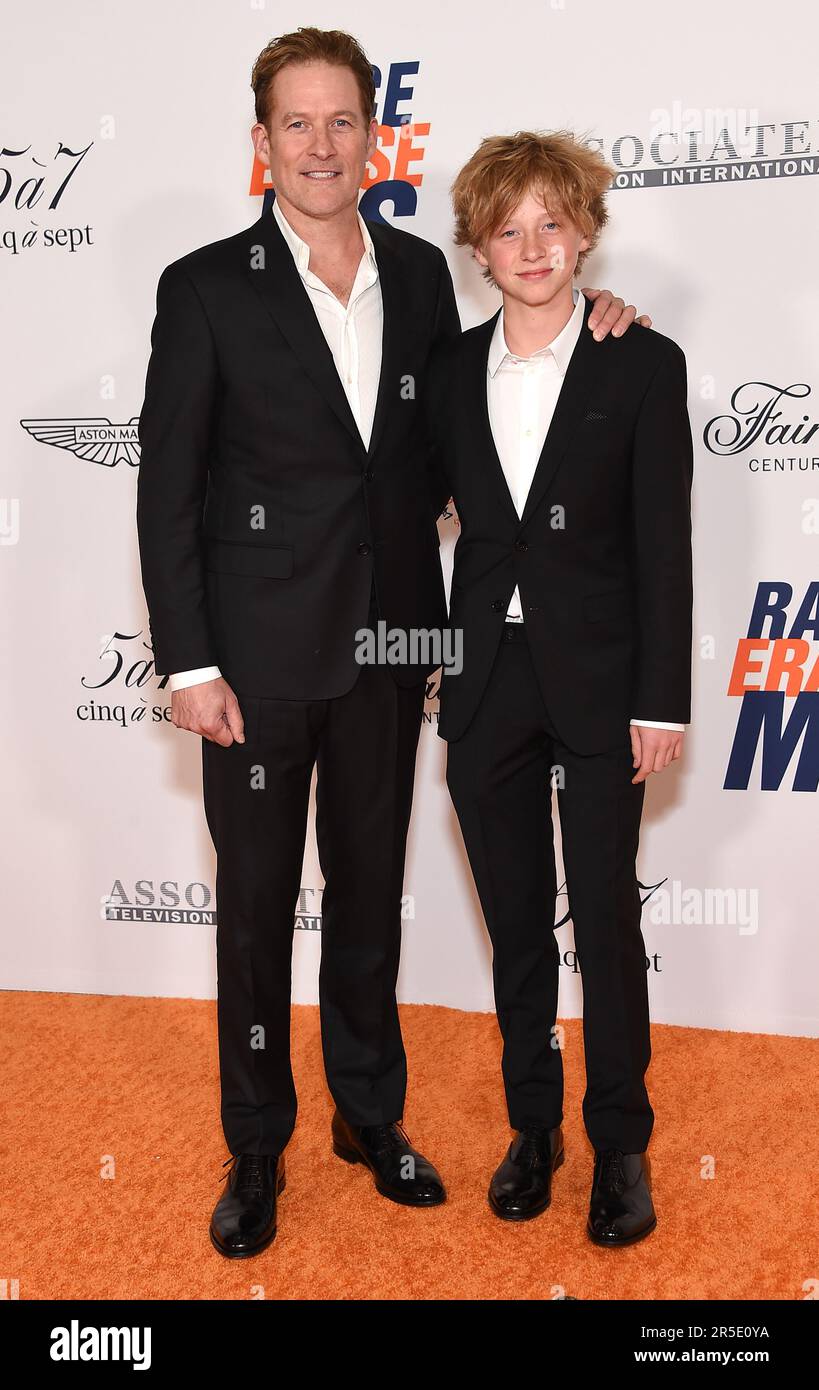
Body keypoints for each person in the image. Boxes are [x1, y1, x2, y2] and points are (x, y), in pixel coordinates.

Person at [136, 27, 646, 1258]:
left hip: (392, 652)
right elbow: (169, 489)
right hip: (253, 669)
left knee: (370, 905)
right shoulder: (204, 287)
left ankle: (370, 1117)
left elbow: (489, 401)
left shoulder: (423, 279)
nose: (322, 144)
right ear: (261, 143)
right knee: (256, 915)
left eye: (342, 121)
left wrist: (603, 320)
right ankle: (257, 1147)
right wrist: (190, 663)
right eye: (296, 123)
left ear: (378, 135)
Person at [428, 130, 693, 1245]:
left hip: (600, 680)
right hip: (487, 675)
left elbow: (663, 540)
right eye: (508, 228)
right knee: (518, 929)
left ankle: (619, 1142)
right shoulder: (446, 372)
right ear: (480, 250)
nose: (532, 246)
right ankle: (532, 1128)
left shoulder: (642, 359)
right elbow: (401, 513)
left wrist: (663, 699)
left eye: (552, 222)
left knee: (610, 921)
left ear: (583, 231)